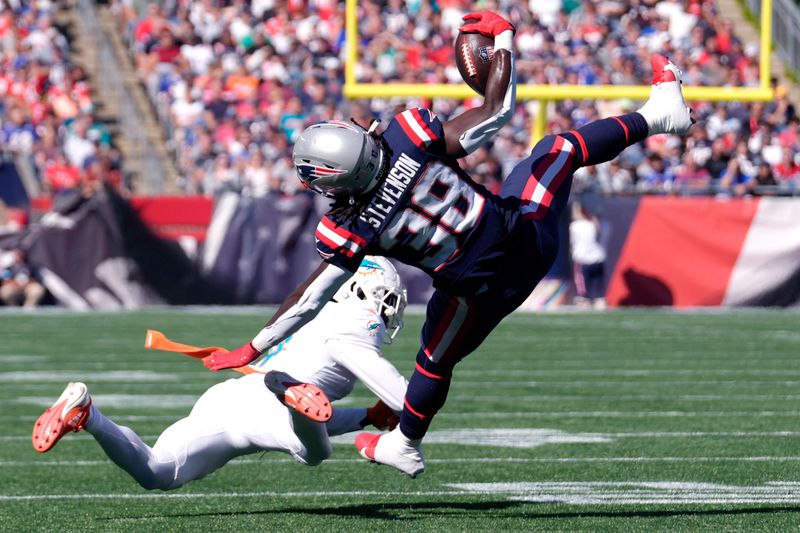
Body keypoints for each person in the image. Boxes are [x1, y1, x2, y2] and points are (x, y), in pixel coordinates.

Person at [203, 10, 694, 477]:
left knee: (433, 361)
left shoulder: (347, 226)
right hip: (525, 239)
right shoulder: (408, 135)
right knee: (559, 149)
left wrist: (252, 347)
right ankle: (656, 117)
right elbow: (495, 112)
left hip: (475, 294)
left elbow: (307, 300)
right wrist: (503, 40)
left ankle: (405, 444)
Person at [32, 257, 409, 490]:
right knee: (312, 451)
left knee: (158, 471)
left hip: (234, 396)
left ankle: (87, 414)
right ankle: (292, 399)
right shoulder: (357, 330)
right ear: (367, 292)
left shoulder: (313, 313)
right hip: (270, 404)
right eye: (389, 300)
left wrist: (367, 417)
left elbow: (321, 413)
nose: (390, 311)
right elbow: (405, 399)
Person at [569, 203, 608, 309]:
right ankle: (599, 300)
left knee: (582, 287)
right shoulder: (604, 224)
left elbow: (574, 243)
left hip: (583, 259)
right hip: (599, 258)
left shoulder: (576, 225)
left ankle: (583, 300)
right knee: (598, 285)